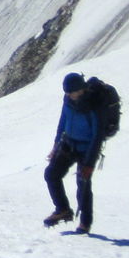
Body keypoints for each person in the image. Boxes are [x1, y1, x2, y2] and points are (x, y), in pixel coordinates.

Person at [44, 71, 103, 234]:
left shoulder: (94, 104)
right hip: (69, 144)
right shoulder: (68, 100)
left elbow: (97, 135)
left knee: (83, 184)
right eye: (67, 92)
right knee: (51, 174)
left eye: (72, 92)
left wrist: (90, 163)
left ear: (81, 89)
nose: (70, 95)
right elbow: (62, 123)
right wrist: (56, 146)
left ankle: (85, 223)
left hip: (87, 149)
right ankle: (62, 209)